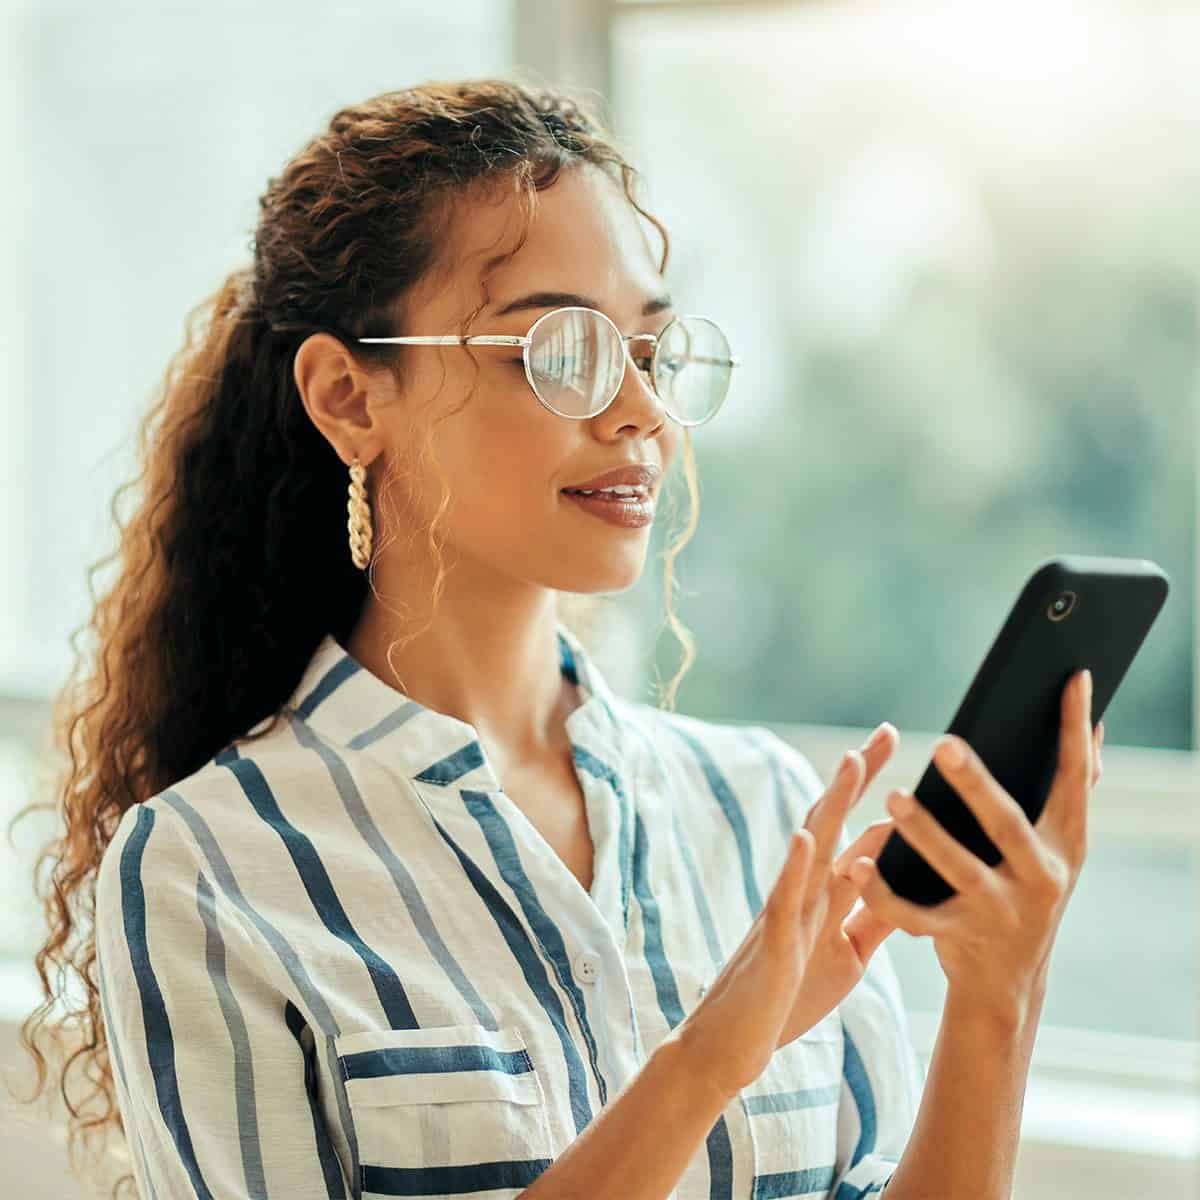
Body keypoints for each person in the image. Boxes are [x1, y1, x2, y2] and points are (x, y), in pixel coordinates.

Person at [17, 79, 1104, 1200]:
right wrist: (702, 1066)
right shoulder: (209, 867)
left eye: (648, 350)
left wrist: (996, 996)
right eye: (559, 350)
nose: (640, 409)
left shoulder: (763, 814)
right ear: (350, 396)